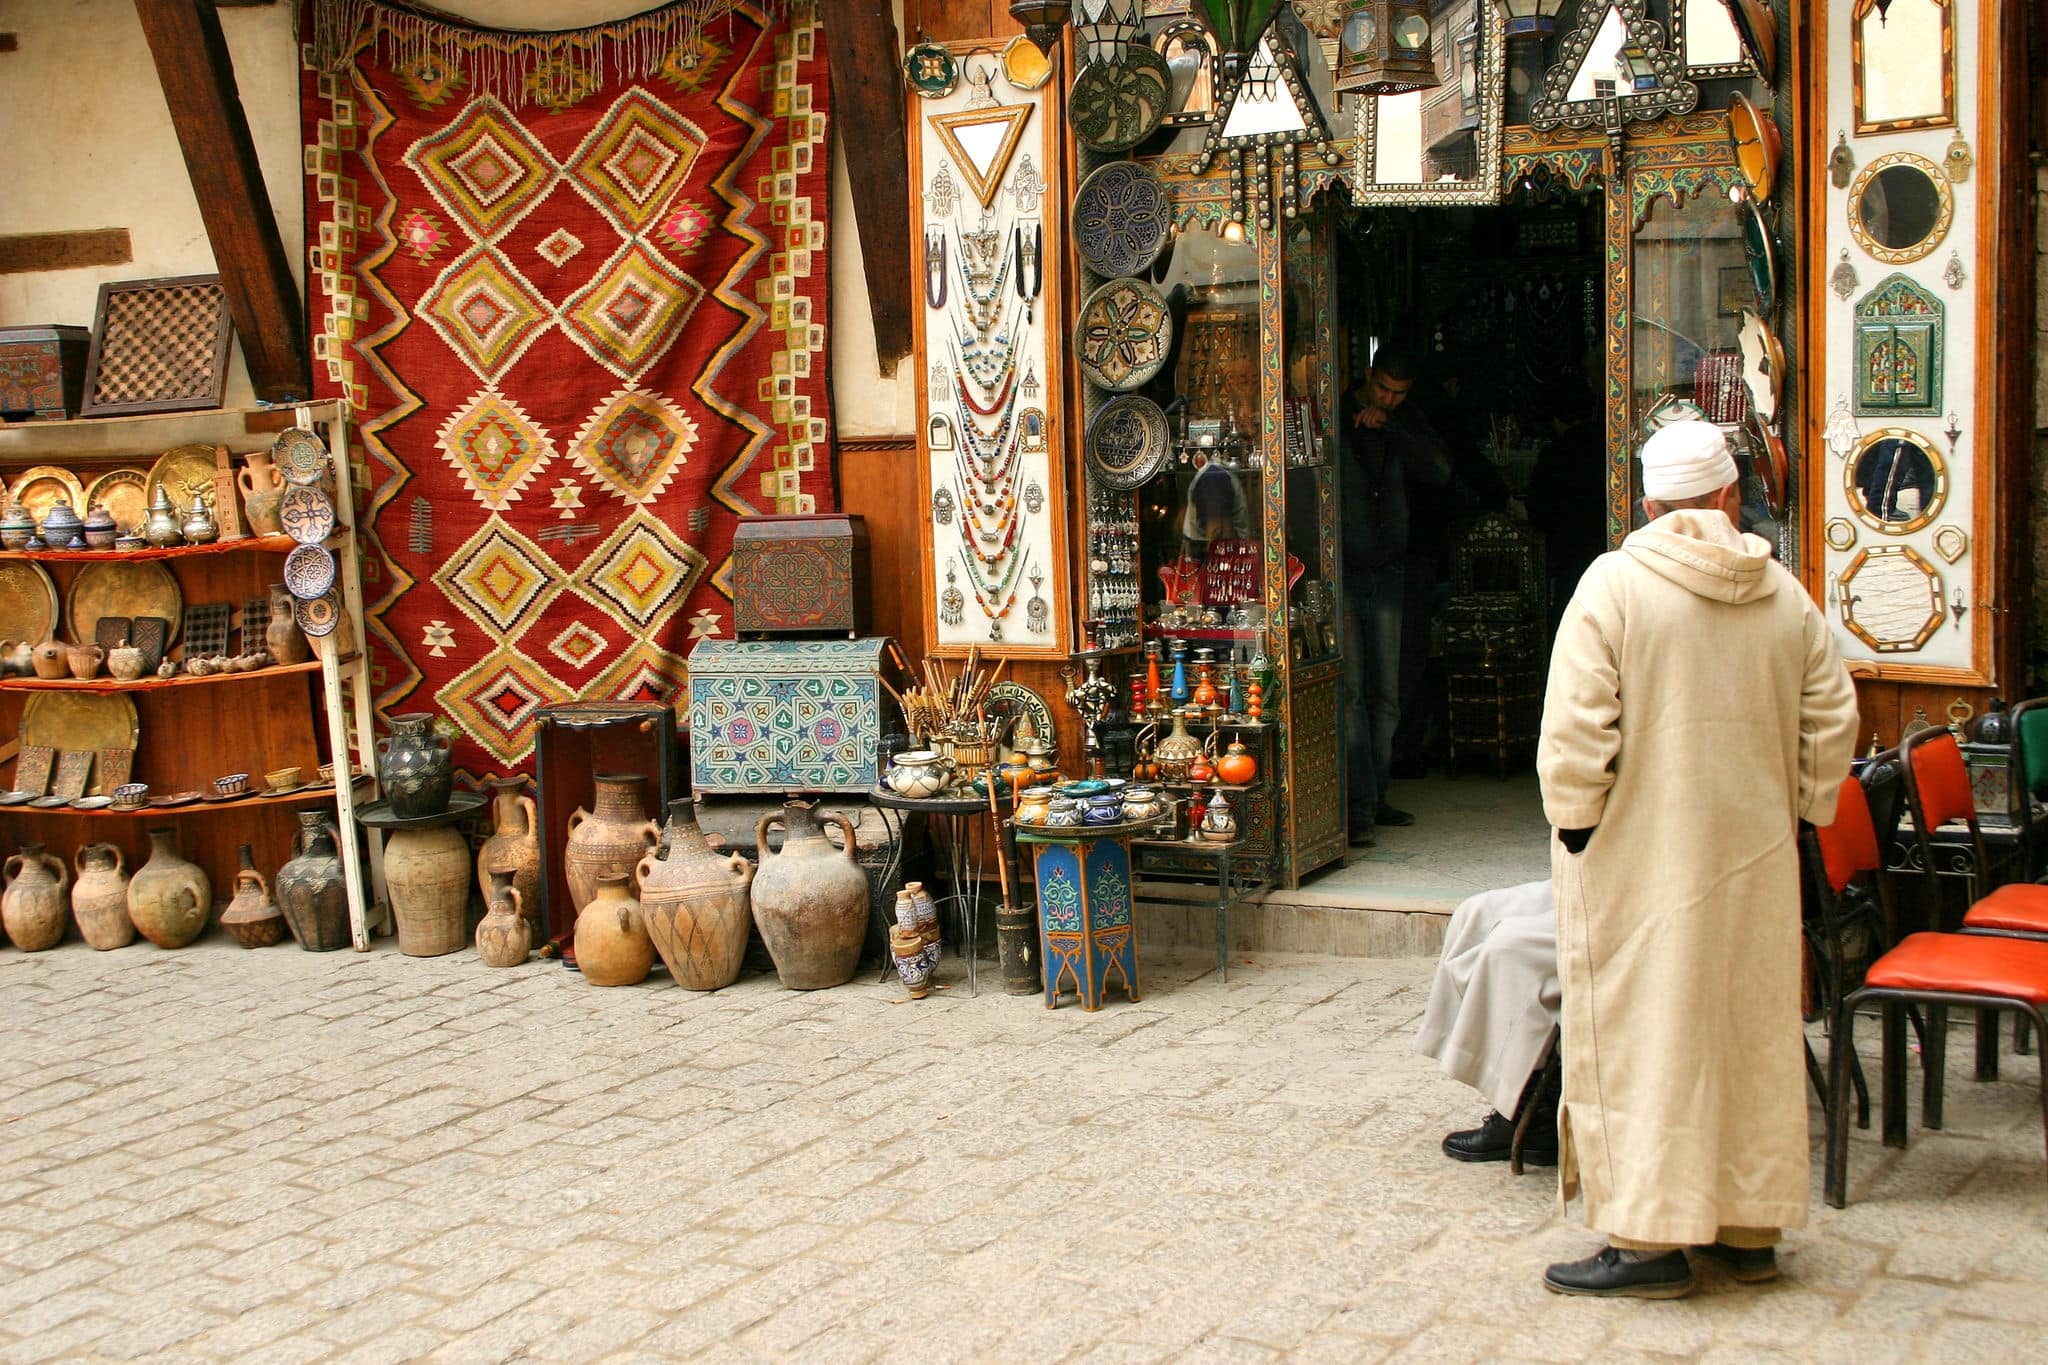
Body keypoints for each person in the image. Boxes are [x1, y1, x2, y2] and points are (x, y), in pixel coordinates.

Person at [1534, 420, 1860, 1299]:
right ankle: (1749, 1228)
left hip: (1640, 864)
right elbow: (1832, 719)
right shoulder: (1782, 591)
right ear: (1727, 498)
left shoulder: (1615, 584)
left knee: (1650, 1038)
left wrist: (1578, 828)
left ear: (1647, 505)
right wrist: (1800, 806)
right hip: (1751, 859)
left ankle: (1646, 1238)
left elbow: (1572, 733)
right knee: (1745, 1032)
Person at [1341, 341, 1451, 844]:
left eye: (1398, 393)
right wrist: (1355, 425)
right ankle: (1357, 807)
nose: (1387, 398)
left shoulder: (1405, 420)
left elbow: (1439, 471)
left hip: (1389, 571)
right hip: (1345, 572)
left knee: (1387, 696)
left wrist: (1394, 426)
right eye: (1383, 388)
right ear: (1369, 374)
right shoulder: (1338, 410)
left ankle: (1377, 796)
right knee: (1354, 693)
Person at [1415, 881, 1560, 1165]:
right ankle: (1526, 1101)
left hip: (1634, 900)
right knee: (1473, 915)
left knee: (1506, 947)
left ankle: (1526, 1108)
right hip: (1589, 873)